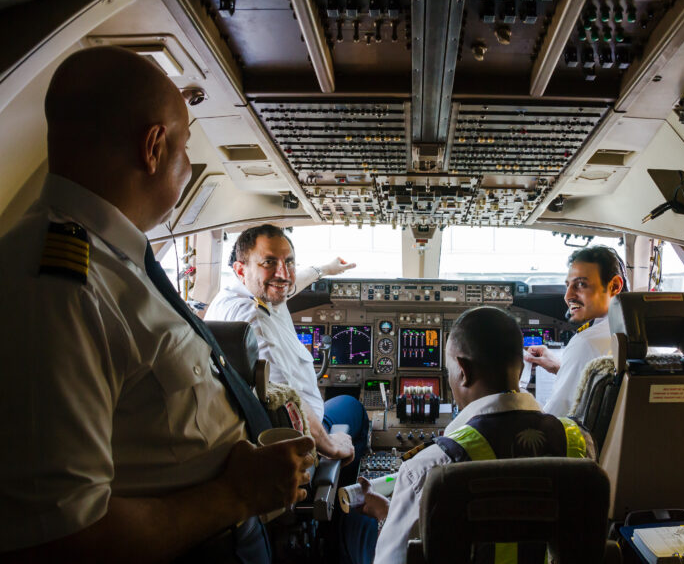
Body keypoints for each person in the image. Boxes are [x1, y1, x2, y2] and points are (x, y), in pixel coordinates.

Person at [0, 46, 314, 562]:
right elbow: (63, 537)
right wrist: (236, 495)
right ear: (153, 148)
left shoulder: (118, 264)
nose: (187, 166)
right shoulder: (57, 287)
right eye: (185, 148)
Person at [351, 306, 594, 564]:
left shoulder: (430, 467)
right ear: (522, 368)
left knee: (355, 535)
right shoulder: (579, 442)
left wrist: (389, 516)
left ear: (463, 371)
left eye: (449, 372)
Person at [206, 224, 369, 470]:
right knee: (352, 406)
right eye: (269, 262)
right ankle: (345, 487)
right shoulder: (255, 324)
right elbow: (288, 402)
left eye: (289, 262)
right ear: (240, 269)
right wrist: (331, 445)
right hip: (300, 436)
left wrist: (324, 269)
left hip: (256, 430)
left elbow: (288, 285)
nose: (283, 274)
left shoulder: (238, 293)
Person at [524, 245, 627, 417]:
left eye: (581, 284)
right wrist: (560, 368)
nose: (568, 296)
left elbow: (554, 418)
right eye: (568, 286)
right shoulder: (635, 332)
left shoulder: (586, 342)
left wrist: (517, 392)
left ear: (614, 286)